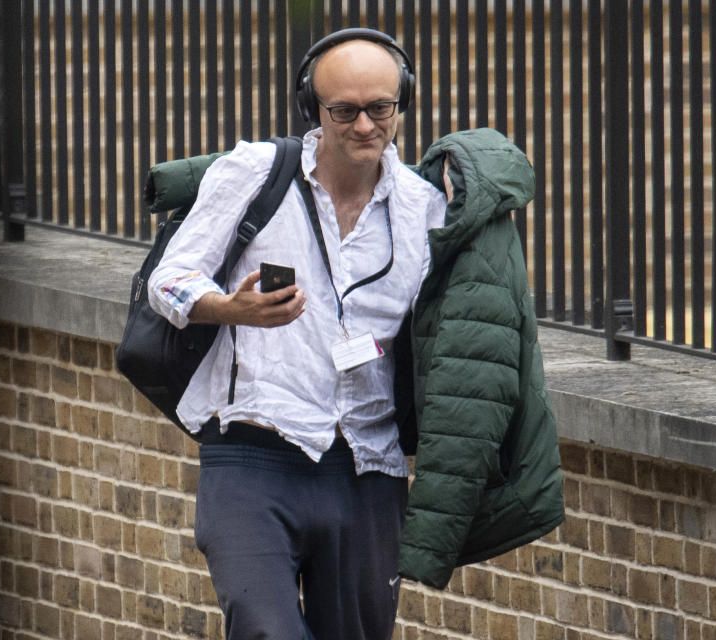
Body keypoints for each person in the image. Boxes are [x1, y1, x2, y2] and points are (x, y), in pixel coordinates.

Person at [147, 28, 447, 640]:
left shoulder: (424, 210)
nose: (364, 126)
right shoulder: (256, 172)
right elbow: (168, 280)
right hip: (253, 454)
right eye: (344, 111)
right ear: (313, 108)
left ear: (402, 102)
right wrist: (229, 308)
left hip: (367, 466)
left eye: (380, 108)